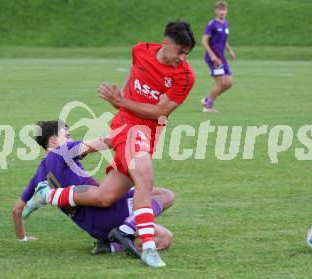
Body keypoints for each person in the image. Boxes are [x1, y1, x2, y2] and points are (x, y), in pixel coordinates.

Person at [25, 20, 196, 268]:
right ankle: (148, 248)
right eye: (179, 52)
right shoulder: (141, 50)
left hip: (148, 132)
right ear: (166, 43)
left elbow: (160, 111)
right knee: (145, 181)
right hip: (128, 127)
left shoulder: (185, 77)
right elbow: (130, 82)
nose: (182, 58)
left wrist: (120, 101)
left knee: (106, 196)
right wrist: (121, 100)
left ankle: (47, 195)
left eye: (186, 54)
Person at [12, 120, 175, 256]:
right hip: (109, 212)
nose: (71, 139)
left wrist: (22, 238)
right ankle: (126, 229)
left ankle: (110, 246)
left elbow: (17, 210)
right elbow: (103, 142)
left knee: (162, 234)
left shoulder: (39, 174)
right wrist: (131, 138)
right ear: (54, 140)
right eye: (67, 136)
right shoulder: (62, 151)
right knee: (166, 198)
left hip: (93, 227)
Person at [201, 1, 235, 113]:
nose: (222, 12)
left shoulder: (226, 23)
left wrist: (230, 50)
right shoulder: (212, 24)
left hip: (222, 57)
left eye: (224, 9)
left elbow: (223, 40)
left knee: (229, 83)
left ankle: (207, 99)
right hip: (214, 57)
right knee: (221, 83)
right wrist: (212, 55)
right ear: (216, 11)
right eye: (219, 9)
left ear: (226, 11)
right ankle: (208, 106)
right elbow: (204, 40)